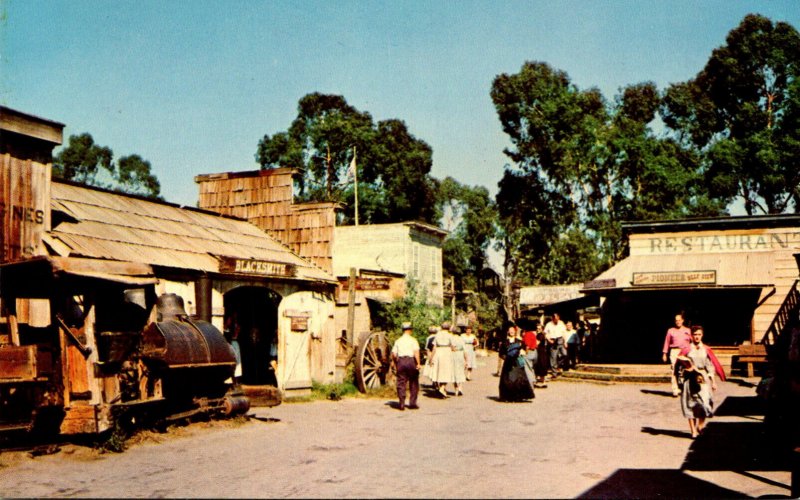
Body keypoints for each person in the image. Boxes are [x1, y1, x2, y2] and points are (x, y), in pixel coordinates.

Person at [675, 325, 726, 438]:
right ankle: (693, 430)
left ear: (702, 335)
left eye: (699, 334)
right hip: (690, 378)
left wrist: (713, 381)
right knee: (690, 404)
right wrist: (685, 370)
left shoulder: (706, 349)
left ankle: (700, 426)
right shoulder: (686, 349)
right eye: (695, 335)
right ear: (691, 336)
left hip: (703, 379)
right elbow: (679, 366)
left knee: (705, 403)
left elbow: (710, 365)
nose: (697, 337)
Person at [498, 325, 535, 402]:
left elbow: (525, 350)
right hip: (508, 363)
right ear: (508, 331)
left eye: (513, 330)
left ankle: (518, 396)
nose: (511, 331)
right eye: (510, 330)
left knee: (518, 379)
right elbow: (501, 354)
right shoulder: (504, 342)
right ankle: (507, 397)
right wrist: (507, 358)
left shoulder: (519, 341)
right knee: (507, 380)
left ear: (515, 331)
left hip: (517, 362)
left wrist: (522, 352)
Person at [391, 322, 421, 411]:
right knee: (414, 382)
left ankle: (402, 403)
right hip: (411, 361)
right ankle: (412, 403)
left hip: (401, 361)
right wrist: (418, 363)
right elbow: (416, 352)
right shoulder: (413, 340)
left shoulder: (398, 341)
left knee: (401, 382)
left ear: (402, 330)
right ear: (410, 330)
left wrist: (394, 362)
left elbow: (393, 354)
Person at [662, 312, 692, 397]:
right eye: (676, 321)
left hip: (685, 351)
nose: (678, 322)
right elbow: (667, 342)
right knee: (674, 369)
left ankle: (684, 388)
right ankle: (675, 389)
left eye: (679, 320)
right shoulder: (670, 331)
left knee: (684, 370)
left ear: (682, 320)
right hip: (674, 351)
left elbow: (692, 342)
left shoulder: (687, 330)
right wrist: (664, 353)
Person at [430, 322, 455, 397]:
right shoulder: (450, 335)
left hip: (438, 352)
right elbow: (453, 346)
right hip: (447, 352)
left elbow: (434, 347)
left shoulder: (437, 335)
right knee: (446, 370)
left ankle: (441, 388)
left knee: (439, 370)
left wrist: (431, 357)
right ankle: (442, 387)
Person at [545, 313, 567, 377]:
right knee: (553, 357)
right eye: (555, 319)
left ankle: (557, 365)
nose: (556, 320)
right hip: (553, 340)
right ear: (552, 318)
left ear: (559, 318)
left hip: (560, 339)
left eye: (557, 319)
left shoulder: (561, 323)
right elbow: (545, 333)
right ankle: (554, 372)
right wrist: (549, 340)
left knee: (565, 354)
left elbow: (564, 333)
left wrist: (565, 342)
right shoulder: (549, 324)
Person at [450, 326, 467, 396]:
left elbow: (452, 348)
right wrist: (466, 360)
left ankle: (456, 389)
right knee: (460, 371)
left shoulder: (452, 339)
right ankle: (460, 387)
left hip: (454, 355)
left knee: (454, 371)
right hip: (461, 355)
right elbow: (465, 350)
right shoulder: (462, 339)